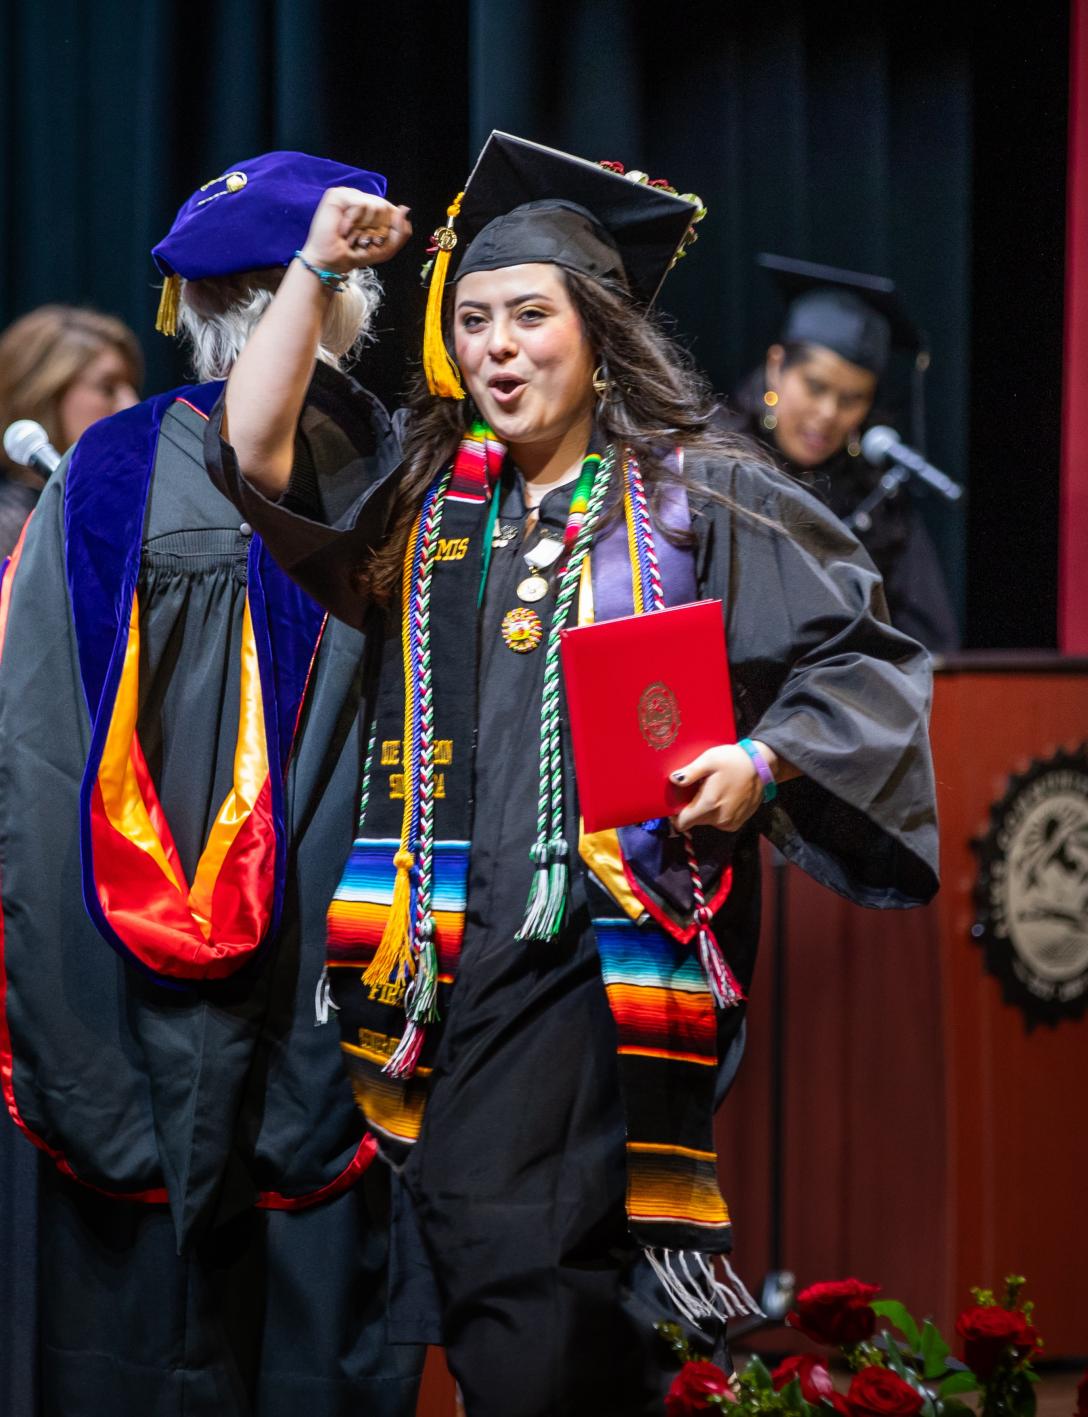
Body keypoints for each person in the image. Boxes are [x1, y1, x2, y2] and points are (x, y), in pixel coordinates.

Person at [209, 133, 939, 1416]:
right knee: (545, 1287)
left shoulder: (695, 495)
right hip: (444, 956)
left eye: (529, 316)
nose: (496, 346)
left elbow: (862, 665)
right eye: (474, 319)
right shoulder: (428, 497)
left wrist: (760, 761)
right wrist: (316, 266)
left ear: (596, 331)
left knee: (511, 1257)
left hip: (601, 952)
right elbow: (258, 448)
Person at [0, 152, 421, 1417]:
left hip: (108, 975)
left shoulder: (98, 473)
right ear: (341, 305)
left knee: (130, 1343)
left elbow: (34, 754)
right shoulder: (379, 470)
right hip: (314, 974)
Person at [723, 254, 960, 652]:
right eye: (816, 386)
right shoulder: (716, 460)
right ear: (777, 365)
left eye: (852, 399)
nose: (829, 414)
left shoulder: (876, 497)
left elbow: (929, 643)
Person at [0, 304, 142, 555]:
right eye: (107, 388)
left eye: (131, 387)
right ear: (44, 396)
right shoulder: (8, 526)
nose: (131, 404)